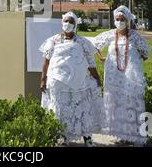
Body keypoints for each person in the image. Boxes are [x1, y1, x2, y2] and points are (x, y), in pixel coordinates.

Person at [40, 12, 104, 147]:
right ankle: (63, 138)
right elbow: (46, 62)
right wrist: (43, 79)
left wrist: (97, 78)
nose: (67, 24)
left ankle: (87, 137)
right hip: (58, 82)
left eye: (71, 22)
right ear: (62, 22)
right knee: (61, 110)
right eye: (66, 21)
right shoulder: (53, 41)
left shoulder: (83, 42)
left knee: (82, 108)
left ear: (75, 25)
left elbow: (91, 63)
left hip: (79, 82)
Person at [93, 6, 151, 146]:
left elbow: (146, 52)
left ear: (127, 20)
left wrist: (135, 61)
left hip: (131, 76)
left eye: (122, 19)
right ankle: (121, 134)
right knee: (116, 102)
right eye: (117, 19)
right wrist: (102, 57)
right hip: (113, 75)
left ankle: (136, 136)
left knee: (131, 101)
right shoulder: (110, 34)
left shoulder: (134, 36)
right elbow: (94, 45)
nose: (119, 22)